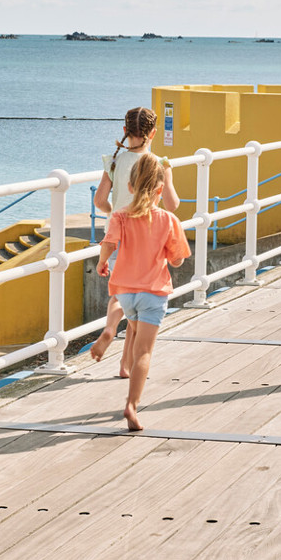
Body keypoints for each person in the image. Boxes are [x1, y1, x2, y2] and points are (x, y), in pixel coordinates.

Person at [90, 152, 190, 431]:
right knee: (143, 352)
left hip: (125, 293)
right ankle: (132, 405)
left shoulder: (120, 216)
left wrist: (101, 263)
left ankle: (110, 329)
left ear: (131, 187)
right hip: (153, 292)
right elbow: (177, 259)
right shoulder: (169, 220)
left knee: (134, 342)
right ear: (160, 189)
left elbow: (109, 243)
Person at [93, 106, 179, 375]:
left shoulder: (113, 162)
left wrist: (114, 212)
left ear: (124, 131)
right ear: (153, 133)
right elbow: (173, 204)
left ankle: (112, 334)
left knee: (123, 293)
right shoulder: (159, 164)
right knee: (140, 303)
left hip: (117, 235)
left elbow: (99, 202)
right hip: (149, 237)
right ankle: (125, 364)